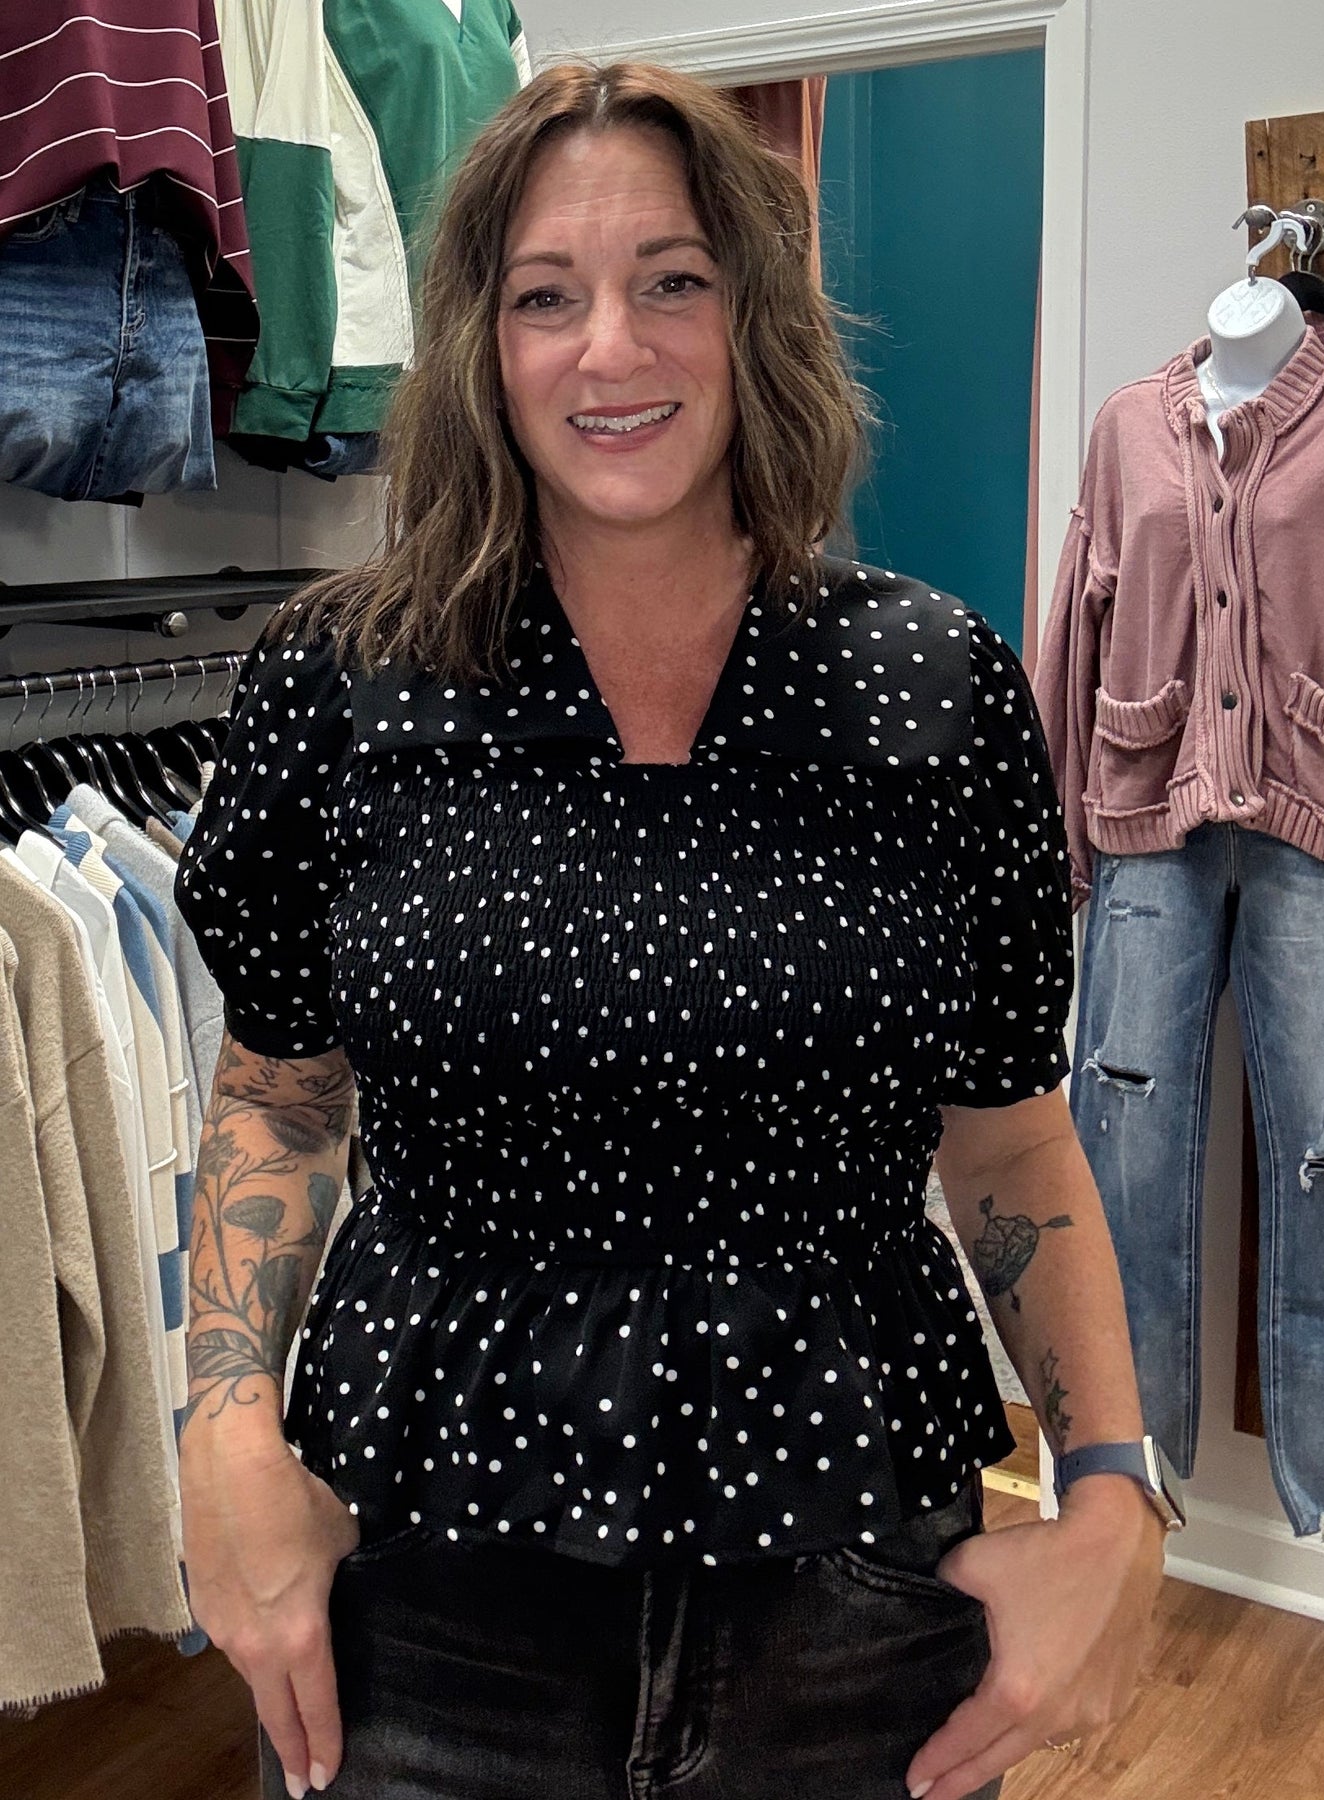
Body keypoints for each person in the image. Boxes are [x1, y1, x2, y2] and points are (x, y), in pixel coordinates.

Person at [175, 60, 1164, 1800]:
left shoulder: (932, 684)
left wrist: (1111, 1491)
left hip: (855, 1584)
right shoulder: (337, 680)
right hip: (418, 1580)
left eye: (673, 280)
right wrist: (220, 1435)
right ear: (480, 344)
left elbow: (1010, 1135)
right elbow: (276, 1093)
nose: (610, 350)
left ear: (755, 316)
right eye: (544, 296)